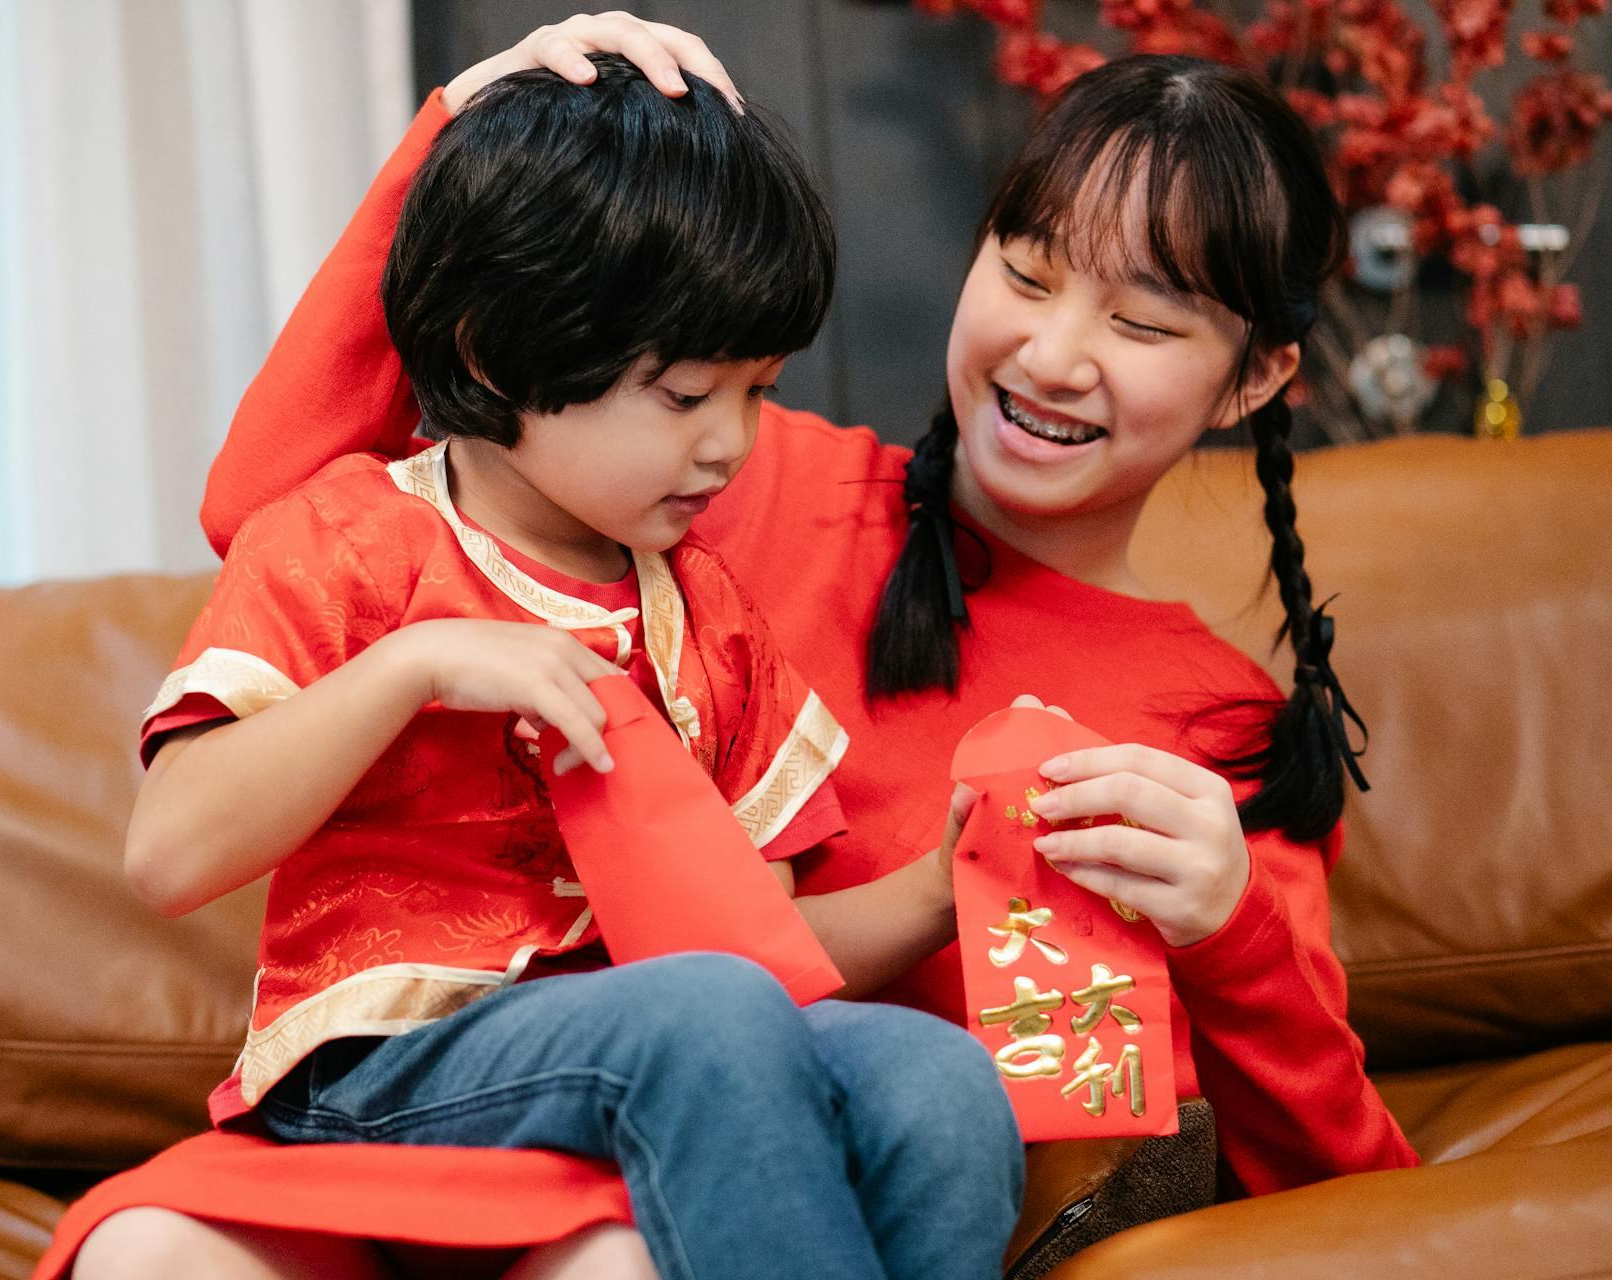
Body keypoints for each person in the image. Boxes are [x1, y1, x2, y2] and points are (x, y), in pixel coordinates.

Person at [198, 9, 1422, 1215]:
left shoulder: (1214, 733)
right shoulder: (719, 477)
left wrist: (1230, 931)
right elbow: (271, 510)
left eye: (1142, 323)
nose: (1050, 355)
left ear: (1252, 379)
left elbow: (1351, 1203)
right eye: (1024, 273)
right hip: (555, 1137)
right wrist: (465, 142)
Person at [62, 48, 1022, 1280]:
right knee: (710, 1011)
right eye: (682, 395)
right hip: (382, 1061)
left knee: (933, 1074)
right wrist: (413, 665)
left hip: (651, 1063)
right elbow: (171, 849)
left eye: (757, 390)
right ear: (501, 354)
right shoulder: (349, 535)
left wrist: (945, 885)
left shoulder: (706, 617)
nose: (731, 443)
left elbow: (762, 936)